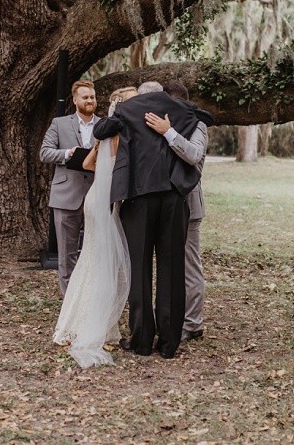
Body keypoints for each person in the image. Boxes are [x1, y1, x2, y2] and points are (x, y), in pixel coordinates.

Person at [93, 82, 214, 358]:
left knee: (140, 270)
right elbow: (207, 119)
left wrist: (115, 110)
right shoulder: (184, 111)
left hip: (139, 199)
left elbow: (99, 132)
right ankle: (169, 343)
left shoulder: (128, 110)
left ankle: (142, 340)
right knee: (172, 269)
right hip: (173, 199)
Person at [53, 89, 133, 367]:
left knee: (91, 257)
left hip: (93, 197)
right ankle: (99, 322)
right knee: (106, 261)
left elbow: (87, 163)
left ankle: (75, 320)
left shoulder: (103, 134)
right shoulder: (123, 136)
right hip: (107, 201)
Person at [147, 81, 208, 342]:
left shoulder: (197, 124)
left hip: (189, 206)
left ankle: (193, 323)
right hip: (165, 206)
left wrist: (169, 132)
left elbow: (193, 154)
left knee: (189, 267)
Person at [39, 81, 99, 295]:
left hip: (96, 194)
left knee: (94, 249)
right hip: (66, 195)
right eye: (85, 97)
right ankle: (69, 298)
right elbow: (44, 152)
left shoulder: (105, 124)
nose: (90, 100)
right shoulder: (59, 123)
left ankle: (91, 294)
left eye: (92, 97)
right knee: (66, 252)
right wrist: (67, 154)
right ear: (75, 100)